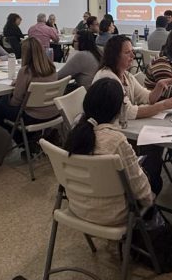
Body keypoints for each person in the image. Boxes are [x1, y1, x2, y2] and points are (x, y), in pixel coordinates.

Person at [94, 36, 172, 192]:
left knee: (155, 144)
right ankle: (148, 184)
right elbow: (128, 112)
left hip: (121, 127)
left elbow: (146, 97)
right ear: (115, 55)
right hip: (113, 130)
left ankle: (150, 179)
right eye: (128, 53)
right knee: (154, 146)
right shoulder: (107, 78)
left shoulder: (125, 75)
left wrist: (160, 86)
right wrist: (163, 105)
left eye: (132, 52)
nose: (133, 57)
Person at [65, 79, 155, 226]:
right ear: (119, 110)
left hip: (77, 207)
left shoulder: (75, 134)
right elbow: (141, 191)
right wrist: (150, 199)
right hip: (113, 215)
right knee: (147, 176)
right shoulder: (116, 140)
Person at [0, 37, 61, 126]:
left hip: (32, 116)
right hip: (53, 112)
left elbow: (16, 101)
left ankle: (18, 136)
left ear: (25, 53)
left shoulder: (25, 71)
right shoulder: (52, 68)